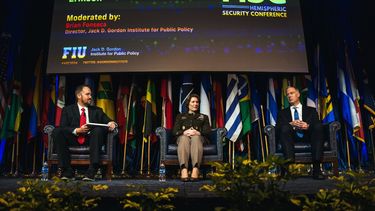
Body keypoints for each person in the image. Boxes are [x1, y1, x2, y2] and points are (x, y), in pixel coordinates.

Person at [52, 85, 117, 181]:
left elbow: (108, 121)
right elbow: (63, 127)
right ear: (79, 95)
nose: (90, 97)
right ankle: (67, 171)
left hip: (91, 140)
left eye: (90, 94)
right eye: (87, 94)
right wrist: (76, 130)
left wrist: (112, 123)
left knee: (98, 130)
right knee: (57, 131)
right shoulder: (67, 110)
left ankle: (92, 170)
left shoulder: (97, 110)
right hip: (73, 139)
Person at [276, 86, 325, 180]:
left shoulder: (311, 110)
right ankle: (288, 169)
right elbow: (278, 128)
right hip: (291, 137)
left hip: (308, 136)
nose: (289, 96)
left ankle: (317, 168)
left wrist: (307, 126)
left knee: (318, 126)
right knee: (285, 127)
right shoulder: (282, 113)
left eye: (292, 93)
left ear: (298, 94)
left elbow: (317, 123)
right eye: (288, 94)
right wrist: (290, 124)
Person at [172, 94, 211, 182]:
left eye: (197, 102)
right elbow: (174, 131)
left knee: (196, 138)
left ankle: (196, 168)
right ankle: (183, 169)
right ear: (188, 104)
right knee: (183, 138)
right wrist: (184, 132)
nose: (195, 104)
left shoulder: (204, 117)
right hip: (183, 138)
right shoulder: (180, 116)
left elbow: (208, 132)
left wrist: (198, 132)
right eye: (193, 102)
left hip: (199, 139)